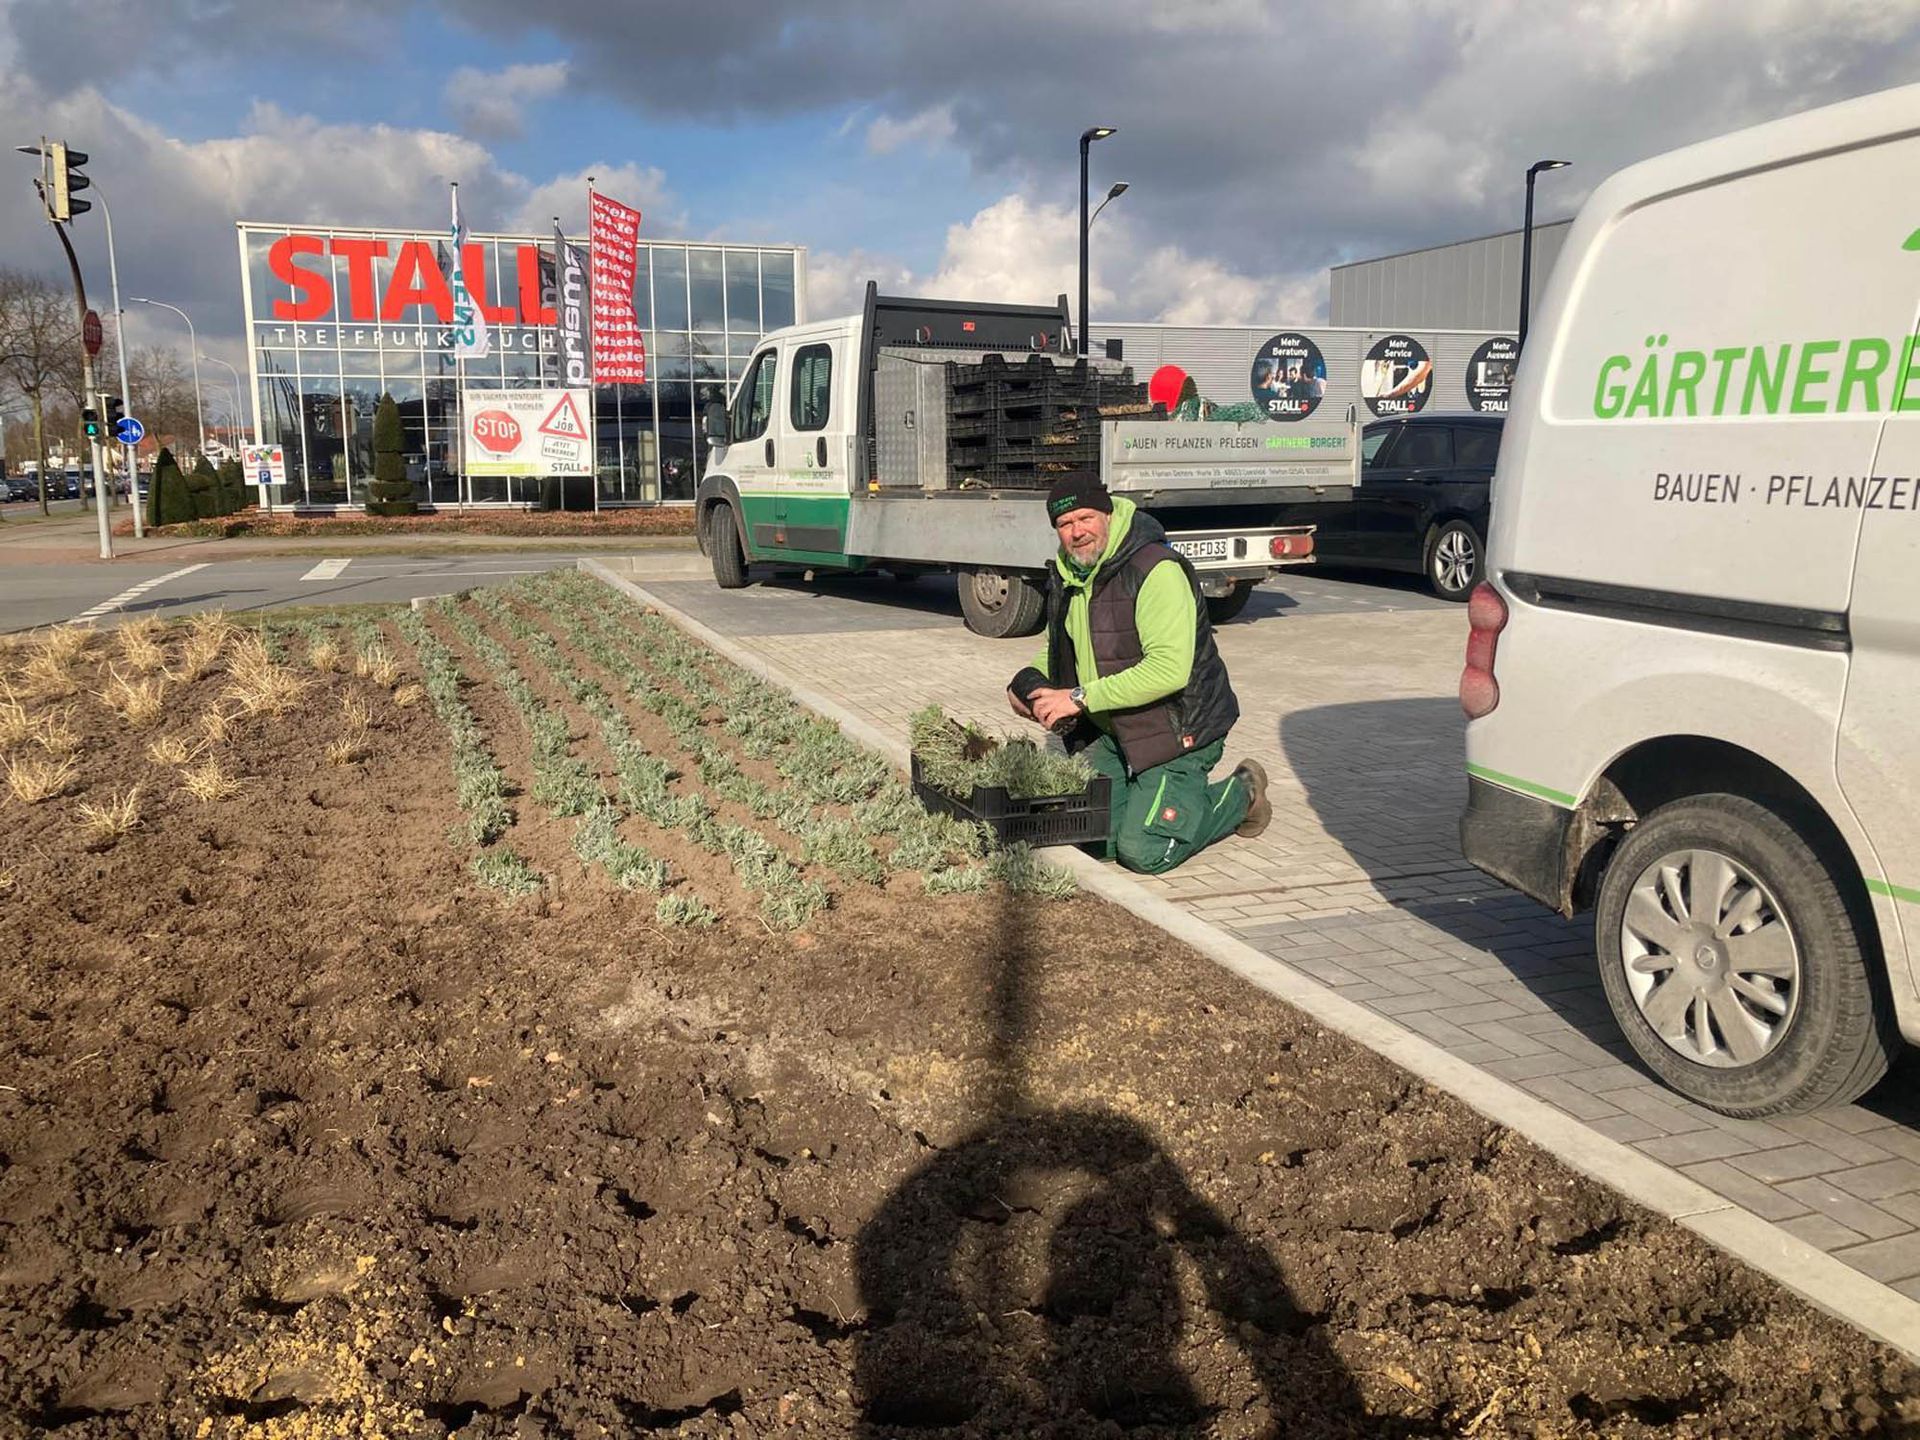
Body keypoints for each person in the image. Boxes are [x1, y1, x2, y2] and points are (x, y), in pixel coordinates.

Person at [1007, 473, 1270, 875]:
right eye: (1064, 524)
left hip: (1178, 732)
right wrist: (1028, 684)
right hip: (1116, 731)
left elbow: (1168, 670)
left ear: (1108, 514)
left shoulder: (1155, 569)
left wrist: (1076, 699)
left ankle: (1242, 793)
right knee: (1094, 841)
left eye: (1085, 518)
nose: (1077, 532)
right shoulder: (1069, 573)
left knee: (1142, 851)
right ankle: (1148, 795)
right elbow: (1058, 648)